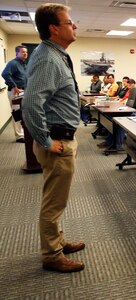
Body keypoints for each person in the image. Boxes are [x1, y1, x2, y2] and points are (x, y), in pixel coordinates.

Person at [21, 3, 85, 273]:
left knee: (56, 199)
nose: (75, 26)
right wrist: (47, 141)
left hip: (62, 137)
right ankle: (52, 255)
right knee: (53, 202)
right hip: (57, 143)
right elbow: (31, 104)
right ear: (54, 28)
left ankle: (57, 242)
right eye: (70, 22)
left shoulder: (55, 54)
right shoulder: (48, 58)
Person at [1, 45, 28, 143]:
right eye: (23, 52)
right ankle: (19, 136)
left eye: (26, 52)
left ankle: (22, 133)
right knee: (17, 114)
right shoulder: (13, 63)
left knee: (23, 113)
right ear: (17, 53)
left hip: (23, 91)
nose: (25, 54)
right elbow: (4, 74)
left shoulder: (23, 64)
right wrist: (14, 86)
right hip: (15, 92)